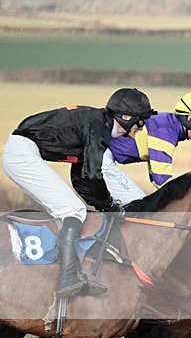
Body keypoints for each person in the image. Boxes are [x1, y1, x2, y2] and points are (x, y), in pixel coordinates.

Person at [2, 88, 157, 297]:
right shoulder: (99, 128)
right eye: (141, 121)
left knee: (75, 209)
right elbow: (93, 175)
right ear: (126, 117)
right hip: (22, 153)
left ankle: (68, 273)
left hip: (23, 149)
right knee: (72, 210)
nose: (142, 127)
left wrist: (103, 206)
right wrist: (110, 206)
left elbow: (81, 176)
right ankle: (66, 279)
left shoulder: (98, 124)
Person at [102, 91, 191, 203]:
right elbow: (162, 181)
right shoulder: (165, 133)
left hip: (103, 151)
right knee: (138, 207)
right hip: (101, 154)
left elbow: (156, 178)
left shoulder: (168, 124)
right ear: (189, 118)